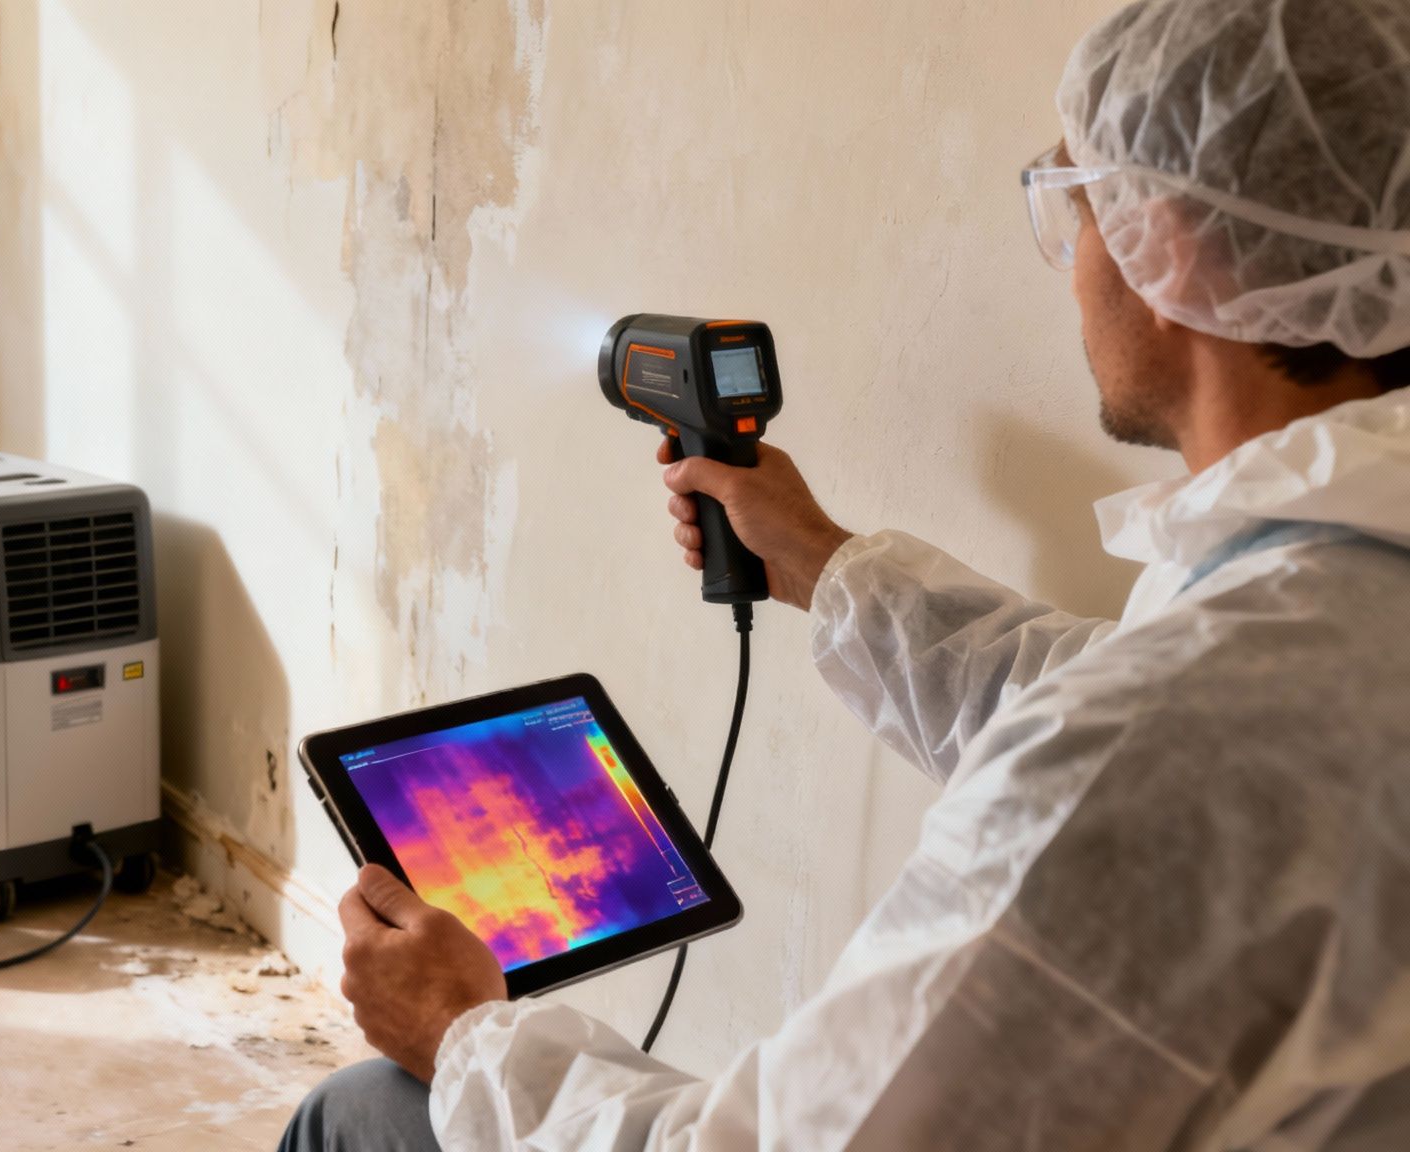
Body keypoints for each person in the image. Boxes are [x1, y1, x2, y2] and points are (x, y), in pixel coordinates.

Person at [279, 0, 1410, 1148]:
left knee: (357, 1110)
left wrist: (461, 1030)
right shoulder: (1330, 584)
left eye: (1071, 203)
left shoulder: (1147, 754)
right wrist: (820, 561)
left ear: (1166, 243)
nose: (1068, 266)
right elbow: (1115, 695)